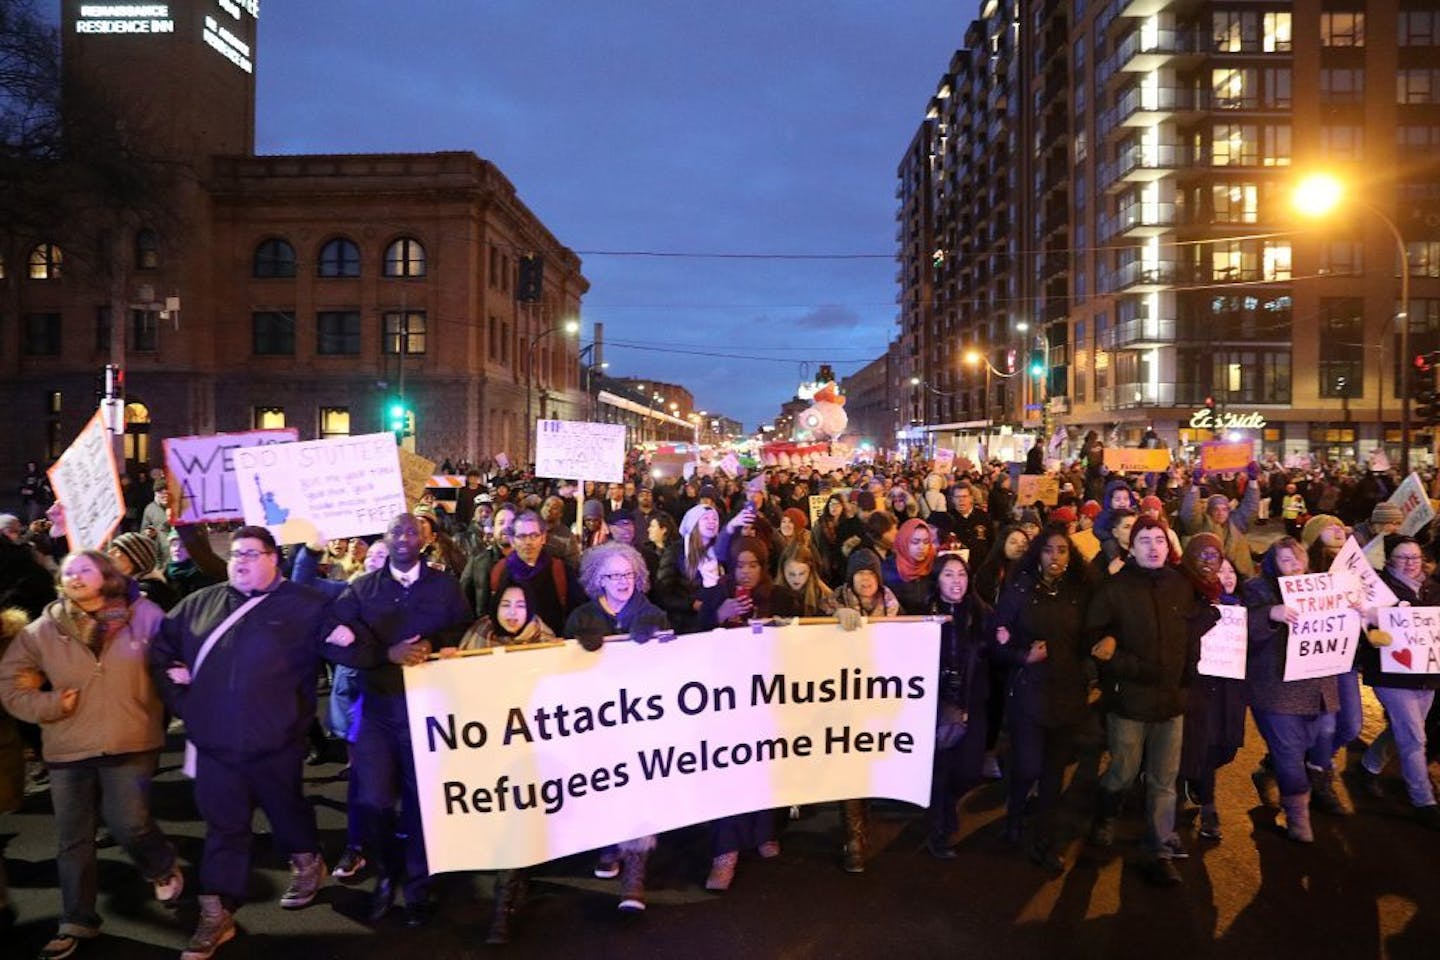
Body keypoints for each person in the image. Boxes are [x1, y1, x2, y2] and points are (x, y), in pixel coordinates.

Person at [151, 526, 371, 960]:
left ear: (275, 558)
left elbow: (354, 654)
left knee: (285, 810)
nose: (241, 561)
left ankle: (307, 860)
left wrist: (354, 640)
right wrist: (186, 704)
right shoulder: (198, 606)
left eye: (252, 553)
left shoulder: (306, 606)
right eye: (236, 554)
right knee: (224, 830)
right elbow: (161, 654)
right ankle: (217, 914)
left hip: (277, 742)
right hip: (216, 745)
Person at [1, 551, 183, 960]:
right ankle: (77, 919)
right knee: (73, 839)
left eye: (84, 569)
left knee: (129, 822)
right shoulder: (42, 629)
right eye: (68, 571)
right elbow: (12, 684)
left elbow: (176, 657)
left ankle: (160, 863)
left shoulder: (145, 615)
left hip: (131, 738)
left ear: (106, 575)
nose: (75, 576)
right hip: (68, 745)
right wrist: (50, 706)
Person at [330, 514, 470, 927]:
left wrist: (435, 643)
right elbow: (331, 635)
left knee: (422, 802)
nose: (405, 538)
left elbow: (464, 627)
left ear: (425, 539)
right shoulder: (362, 589)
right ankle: (387, 872)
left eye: (413, 531)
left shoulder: (445, 586)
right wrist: (382, 654)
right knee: (373, 801)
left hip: (428, 710)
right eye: (397, 531)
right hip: (377, 709)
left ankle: (418, 883)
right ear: (386, 539)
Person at [1087, 517, 1218, 886]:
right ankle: (1106, 813)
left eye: (1159, 539)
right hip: (1129, 701)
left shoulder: (1180, 584)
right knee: (1123, 771)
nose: (1153, 547)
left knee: (1164, 780)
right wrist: (1131, 666)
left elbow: (1194, 629)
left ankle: (1159, 848)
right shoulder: (1115, 589)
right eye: (1144, 540)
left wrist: (1187, 677)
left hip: (1172, 702)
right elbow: (1096, 640)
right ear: (1132, 546)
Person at [993, 526, 1093, 873]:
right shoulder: (1018, 590)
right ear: (1038, 553)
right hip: (1029, 694)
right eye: (1048, 550)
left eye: (1062, 550)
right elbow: (997, 642)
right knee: (1029, 766)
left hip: (1066, 695)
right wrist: (1023, 656)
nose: (1055, 556)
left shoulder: (1080, 593)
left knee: (1053, 774)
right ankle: (1015, 810)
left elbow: (1092, 636)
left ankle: (1045, 840)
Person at [1241, 538, 1346, 843]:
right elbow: (1241, 627)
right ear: (1274, 564)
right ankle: (1298, 816)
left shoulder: (1323, 588)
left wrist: (1355, 610)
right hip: (1276, 689)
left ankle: (1270, 771)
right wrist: (1269, 615)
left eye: (1298, 559)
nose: (1294, 565)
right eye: (1286, 560)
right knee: (1289, 752)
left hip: (1318, 685)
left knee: (1324, 736)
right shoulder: (1258, 589)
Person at [1357, 535, 1440, 829]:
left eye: (1415, 557)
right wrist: (1381, 620)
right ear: (1390, 560)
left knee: (1406, 729)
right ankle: (1424, 801)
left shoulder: (1432, 589)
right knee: (1415, 737)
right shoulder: (1378, 591)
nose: (1409, 564)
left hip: (1426, 675)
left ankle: (1369, 766)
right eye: (1403, 558)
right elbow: (1370, 638)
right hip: (1391, 675)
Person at [1176, 535, 1248, 843]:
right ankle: (1206, 804)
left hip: (1229, 691)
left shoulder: (1242, 607)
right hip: (1196, 687)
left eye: (1226, 567)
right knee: (1201, 746)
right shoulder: (1186, 597)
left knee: (1226, 749)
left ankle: (1195, 781)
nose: (1223, 574)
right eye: (1206, 558)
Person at [923, 552, 993, 860]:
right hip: (936, 703)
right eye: (949, 575)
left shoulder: (980, 613)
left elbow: (994, 653)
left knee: (968, 770)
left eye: (962, 574)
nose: (956, 582)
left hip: (972, 701)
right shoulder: (923, 613)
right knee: (940, 770)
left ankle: (948, 804)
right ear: (937, 579)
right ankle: (938, 831)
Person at [489, 511, 580, 636]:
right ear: (512, 541)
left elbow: (577, 611)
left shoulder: (559, 570)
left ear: (543, 538)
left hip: (552, 647)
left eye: (534, 535)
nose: (528, 542)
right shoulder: (500, 571)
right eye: (521, 536)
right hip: (510, 647)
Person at [107, 531, 180, 612]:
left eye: (118, 551)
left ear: (134, 560)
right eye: (112, 548)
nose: (109, 553)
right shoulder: (128, 587)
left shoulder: (144, 592)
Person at [882, 518, 937, 614]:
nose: (921, 547)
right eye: (915, 542)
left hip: (930, 625)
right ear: (904, 541)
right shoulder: (889, 569)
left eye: (926, 542)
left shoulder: (934, 564)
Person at [770, 545, 838, 617]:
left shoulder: (823, 594)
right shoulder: (772, 594)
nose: (797, 579)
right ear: (782, 571)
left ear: (810, 571)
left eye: (802, 573)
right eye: (791, 574)